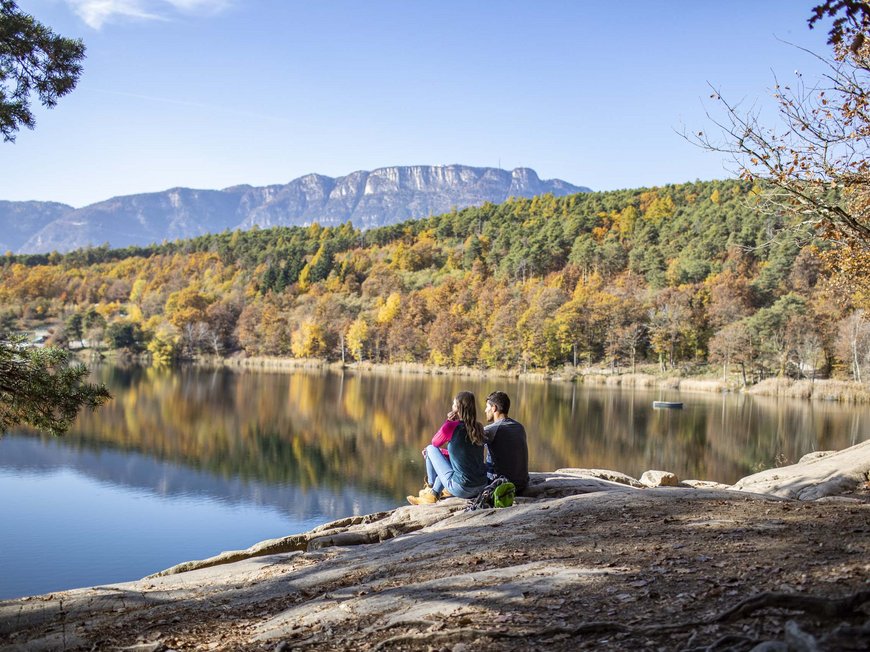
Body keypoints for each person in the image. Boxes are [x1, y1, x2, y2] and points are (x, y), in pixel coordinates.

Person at [407, 391, 488, 505]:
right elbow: (465, 456)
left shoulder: (451, 426)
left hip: (462, 489)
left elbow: (435, 442)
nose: (452, 406)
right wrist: (442, 453)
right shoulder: (479, 427)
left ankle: (430, 491)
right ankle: (433, 491)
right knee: (440, 454)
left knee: (430, 449)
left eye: (454, 404)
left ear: (458, 408)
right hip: (481, 486)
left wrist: (449, 421)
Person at [483, 391, 529, 494]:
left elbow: (468, 447)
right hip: (522, 484)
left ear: (494, 408)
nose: (485, 410)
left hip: (501, 484)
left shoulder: (491, 429)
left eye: (487, 407)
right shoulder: (519, 427)